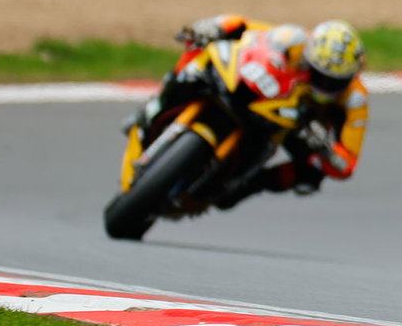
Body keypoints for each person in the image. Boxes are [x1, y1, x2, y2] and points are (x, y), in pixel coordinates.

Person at [130, 14, 369, 207]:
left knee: (309, 175)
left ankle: (244, 186)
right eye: (318, 74)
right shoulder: (294, 39)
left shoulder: (355, 100)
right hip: (270, 96)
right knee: (200, 54)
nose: (324, 85)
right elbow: (248, 28)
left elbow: (347, 164)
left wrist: (325, 148)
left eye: (333, 81)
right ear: (309, 56)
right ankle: (160, 101)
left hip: (298, 127)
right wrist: (214, 27)